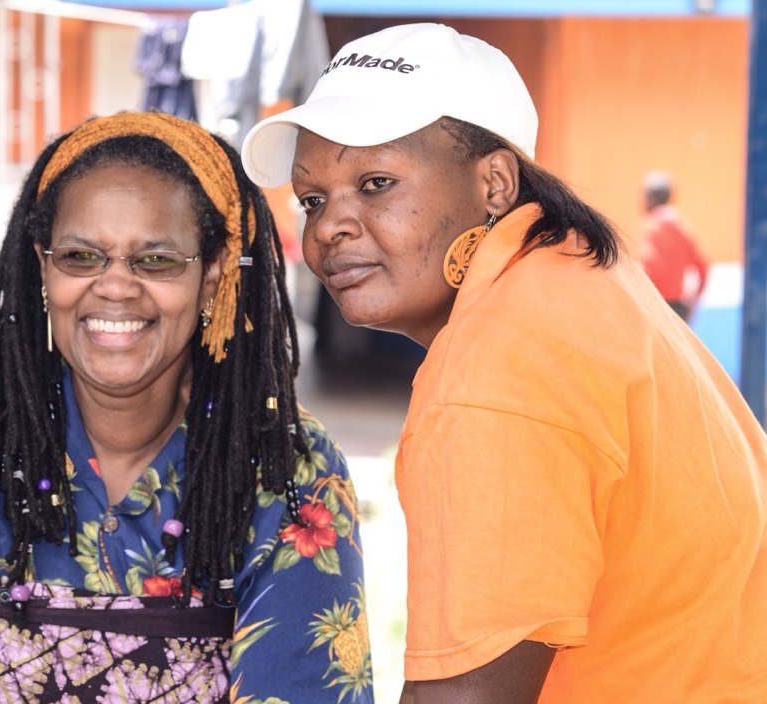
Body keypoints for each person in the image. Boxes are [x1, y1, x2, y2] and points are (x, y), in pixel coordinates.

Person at [241, 22, 767, 704]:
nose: (328, 227)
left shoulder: (497, 371)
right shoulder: (580, 278)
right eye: (312, 200)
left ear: (494, 183)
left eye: (375, 183)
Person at [0, 111, 374, 704]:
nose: (115, 286)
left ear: (214, 273)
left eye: (156, 260)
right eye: (81, 257)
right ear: (42, 263)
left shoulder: (288, 468)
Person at [636, 170, 709, 322]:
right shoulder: (683, 226)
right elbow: (703, 264)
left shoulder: (651, 226)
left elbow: (650, 266)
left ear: (652, 198)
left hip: (656, 304)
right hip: (679, 306)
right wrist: (694, 297)